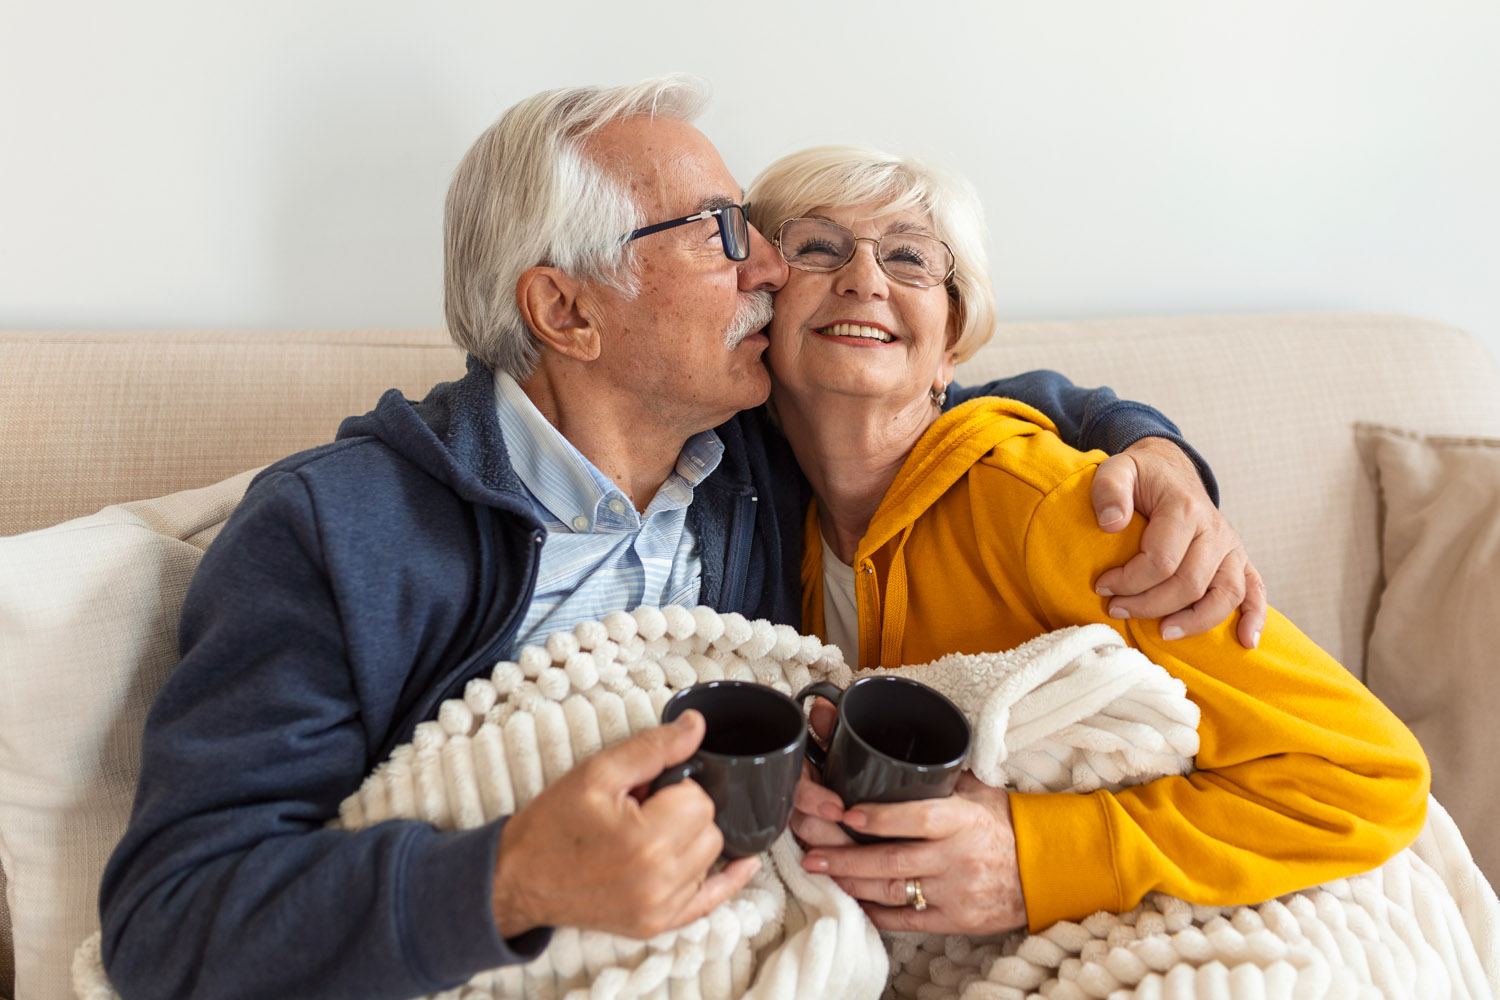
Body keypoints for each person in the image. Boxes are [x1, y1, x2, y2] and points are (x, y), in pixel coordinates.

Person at [100, 77, 1257, 999]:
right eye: (718, 233)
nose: (769, 267)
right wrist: (509, 878)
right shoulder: (337, 534)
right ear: (566, 311)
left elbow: (964, 390)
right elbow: (171, 917)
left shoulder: (763, 459)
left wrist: (1148, 450)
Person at [745, 145, 1431, 937]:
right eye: (818, 248)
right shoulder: (770, 521)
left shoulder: (1050, 505)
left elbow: (1370, 772)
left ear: (953, 340)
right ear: (759, 300)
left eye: (908, 258)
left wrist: (1038, 859)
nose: (864, 279)